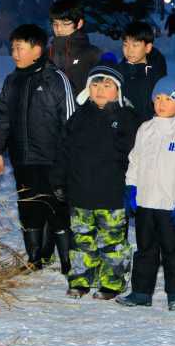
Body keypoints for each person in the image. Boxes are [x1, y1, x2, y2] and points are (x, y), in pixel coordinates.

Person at [0, 24, 76, 273]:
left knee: (56, 207)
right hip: (22, 158)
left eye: (20, 48)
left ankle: (66, 261)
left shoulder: (56, 79)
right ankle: (34, 257)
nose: (14, 53)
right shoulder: (12, 81)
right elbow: (3, 117)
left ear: (37, 50)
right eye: (13, 48)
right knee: (28, 206)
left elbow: (70, 120)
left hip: (52, 159)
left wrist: (69, 157)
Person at [119, 76, 175, 310]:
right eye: (158, 98)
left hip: (170, 205)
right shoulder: (145, 129)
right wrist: (131, 187)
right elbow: (134, 160)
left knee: (173, 251)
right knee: (145, 249)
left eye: (168, 99)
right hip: (146, 202)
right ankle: (140, 292)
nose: (162, 103)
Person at [59, 65, 140, 299]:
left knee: (112, 241)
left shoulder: (128, 118)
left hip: (112, 193)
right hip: (81, 191)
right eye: (95, 84)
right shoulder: (78, 117)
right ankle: (81, 280)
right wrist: (59, 180)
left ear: (118, 90)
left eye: (107, 86)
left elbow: (133, 154)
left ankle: (112, 282)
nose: (100, 90)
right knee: (81, 240)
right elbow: (64, 151)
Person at [48, 0, 102, 97]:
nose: (59, 29)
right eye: (55, 24)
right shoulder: (46, 53)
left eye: (65, 24)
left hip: (81, 110)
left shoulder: (91, 54)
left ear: (79, 23)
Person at [116, 20, 165, 125]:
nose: (129, 50)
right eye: (125, 45)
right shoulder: (117, 73)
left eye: (135, 45)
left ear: (148, 47)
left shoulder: (156, 75)